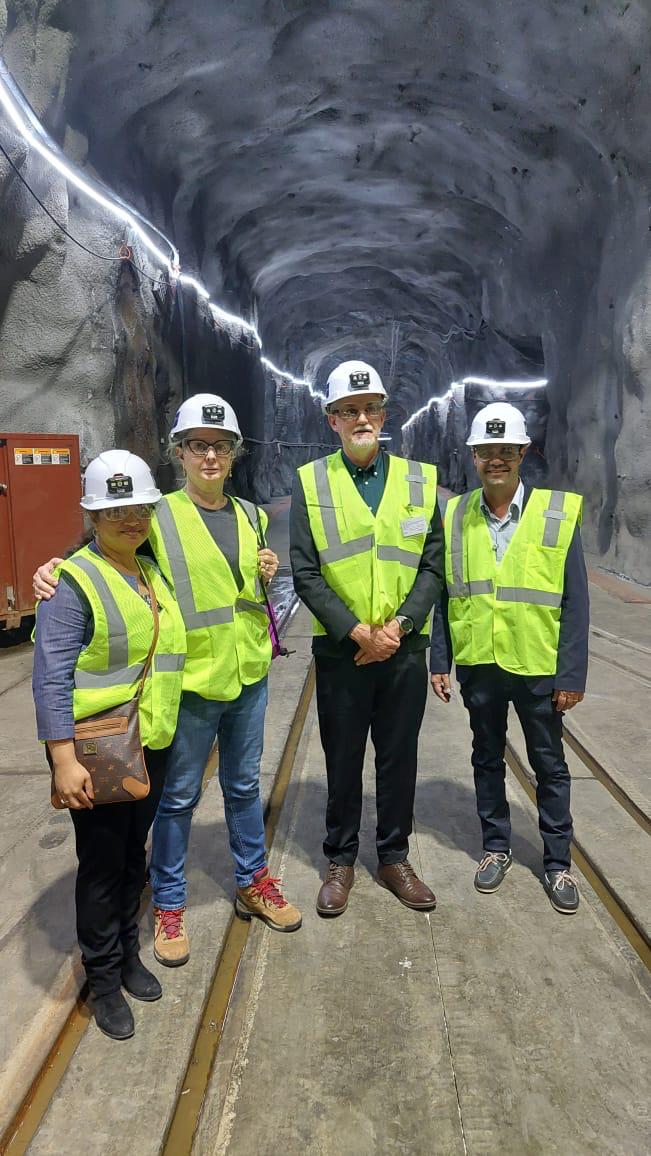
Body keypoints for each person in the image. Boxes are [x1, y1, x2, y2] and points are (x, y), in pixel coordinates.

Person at [34, 393, 302, 966]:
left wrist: (267, 571)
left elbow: (246, 592)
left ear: (235, 454)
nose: (210, 456)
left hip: (248, 675)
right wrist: (53, 568)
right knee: (177, 798)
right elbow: (106, 550)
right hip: (190, 684)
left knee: (245, 788)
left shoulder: (252, 515)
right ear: (179, 453)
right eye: (198, 446)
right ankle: (171, 903)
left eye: (221, 446)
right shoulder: (157, 514)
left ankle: (254, 880)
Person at [32, 451, 187, 1039]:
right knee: (100, 867)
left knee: (131, 859)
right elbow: (50, 677)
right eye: (115, 509)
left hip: (149, 742)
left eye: (140, 509)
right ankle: (101, 981)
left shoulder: (150, 570)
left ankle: (126, 956)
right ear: (94, 515)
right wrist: (62, 759)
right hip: (97, 753)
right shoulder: (73, 582)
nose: (131, 519)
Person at [290, 360, 444, 917]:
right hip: (342, 652)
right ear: (331, 419)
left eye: (370, 408)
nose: (361, 417)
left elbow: (433, 564)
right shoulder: (311, 482)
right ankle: (339, 859)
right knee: (343, 757)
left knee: (399, 757)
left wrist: (399, 627)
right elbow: (304, 570)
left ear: (384, 414)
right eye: (349, 410)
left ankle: (394, 856)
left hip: (403, 649)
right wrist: (355, 630)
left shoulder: (419, 480)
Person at [429, 402, 589, 914]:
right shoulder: (455, 515)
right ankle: (495, 849)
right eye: (485, 452)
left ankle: (558, 863)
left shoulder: (557, 514)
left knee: (550, 766)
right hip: (480, 663)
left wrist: (572, 673)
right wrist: (440, 659)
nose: (495, 460)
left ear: (522, 453)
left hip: (539, 666)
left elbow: (575, 601)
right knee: (486, 758)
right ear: (473, 456)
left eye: (505, 451)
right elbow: (444, 592)